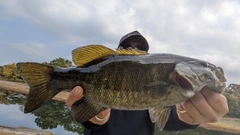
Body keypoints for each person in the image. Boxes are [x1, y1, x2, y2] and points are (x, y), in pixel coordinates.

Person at [66, 31, 228, 135]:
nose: (133, 51)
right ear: (116, 53)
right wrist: (95, 118)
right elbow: (86, 119)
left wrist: (189, 115)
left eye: (139, 49)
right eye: (126, 47)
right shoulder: (101, 71)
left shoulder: (168, 89)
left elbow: (169, 118)